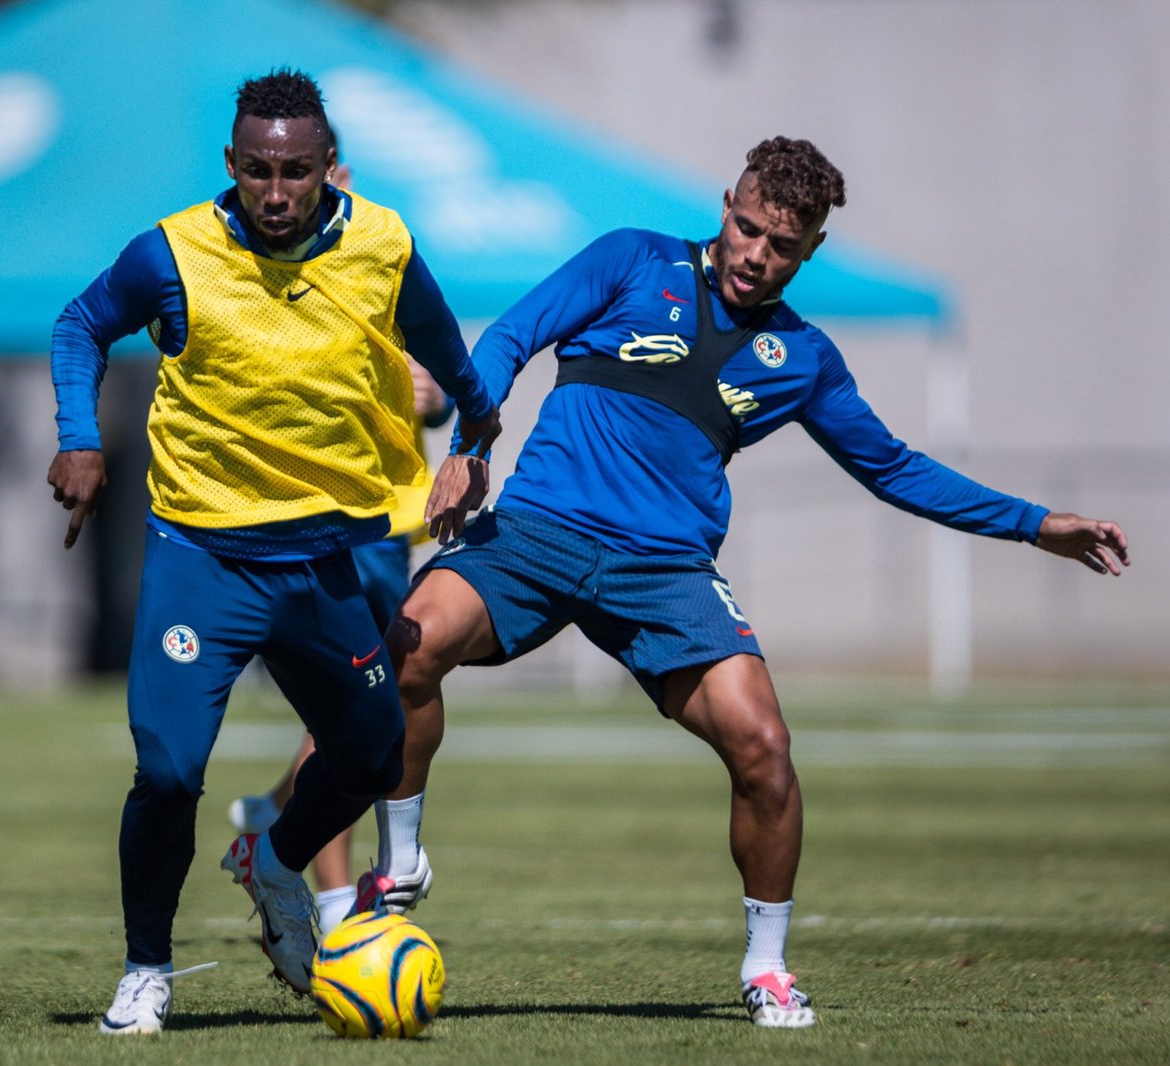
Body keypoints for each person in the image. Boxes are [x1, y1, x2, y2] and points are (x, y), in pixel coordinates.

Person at [355, 136, 1129, 1029]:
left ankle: (766, 969)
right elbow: (513, 336)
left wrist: (1037, 525)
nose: (756, 256)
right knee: (408, 648)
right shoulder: (632, 259)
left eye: (782, 246)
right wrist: (470, 448)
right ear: (726, 204)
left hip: (666, 572)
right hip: (537, 534)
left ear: (811, 252)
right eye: (747, 227)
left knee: (765, 750)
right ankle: (402, 858)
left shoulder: (804, 357)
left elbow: (897, 470)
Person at [46, 68, 497, 1035]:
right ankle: (147, 972)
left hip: (321, 560)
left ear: (330, 167)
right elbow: (81, 323)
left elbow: (446, 348)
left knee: (376, 749)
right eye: (258, 170)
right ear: (232, 165)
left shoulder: (382, 243)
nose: (278, 190)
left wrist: (473, 439)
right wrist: (80, 436)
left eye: (297, 170)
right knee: (167, 772)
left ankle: (276, 859)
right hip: (200, 558)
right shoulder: (171, 253)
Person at [229, 356, 451, 937]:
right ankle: (332, 904)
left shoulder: (401, 279)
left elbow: (444, 382)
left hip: (390, 527)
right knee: (350, 713)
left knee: (369, 705)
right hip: (327, 519)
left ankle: (281, 808)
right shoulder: (303, 280)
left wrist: (436, 398)